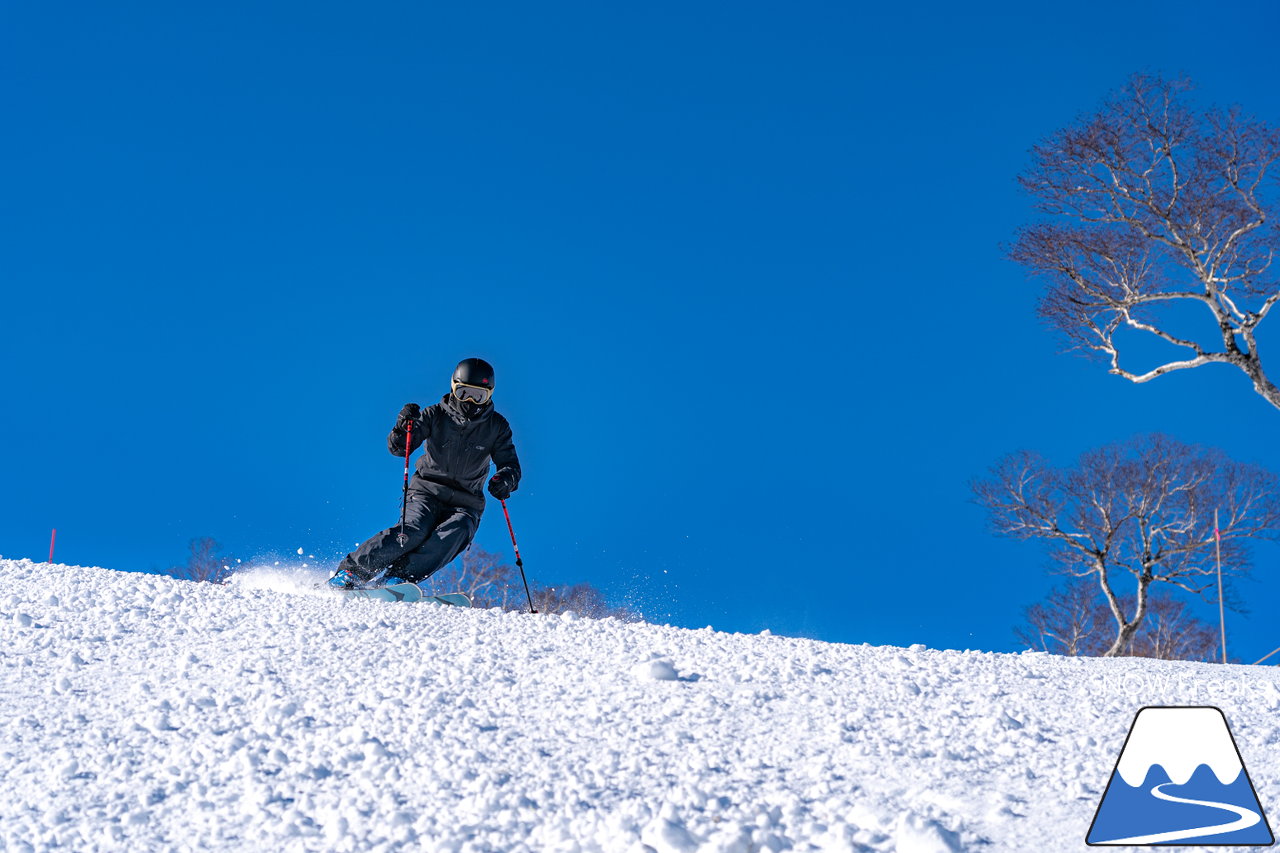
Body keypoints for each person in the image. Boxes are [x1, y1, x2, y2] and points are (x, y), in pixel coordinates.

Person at [329, 357, 521, 589]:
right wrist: (403, 427)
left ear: (489, 394)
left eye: (478, 395)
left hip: (466, 503)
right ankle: (353, 572)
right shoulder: (435, 415)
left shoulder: (497, 427)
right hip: (426, 492)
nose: (470, 401)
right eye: (463, 393)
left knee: (454, 533)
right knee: (413, 530)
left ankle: (398, 579)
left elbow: (510, 464)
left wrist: (505, 479)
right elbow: (400, 448)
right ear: (453, 388)